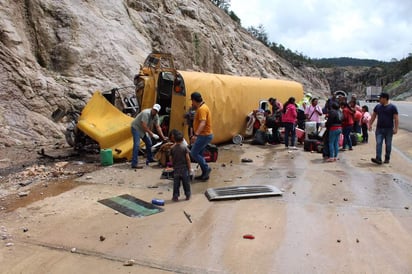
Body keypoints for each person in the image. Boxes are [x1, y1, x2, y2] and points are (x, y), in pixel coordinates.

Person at [130, 104, 166, 168]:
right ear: (152, 108)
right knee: (137, 145)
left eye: (156, 111)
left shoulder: (156, 116)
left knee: (149, 143)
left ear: (158, 112)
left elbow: (158, 127)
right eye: (154, 110)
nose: (154, 111)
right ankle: (134, 163)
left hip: (143, 129)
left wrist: (163, 137)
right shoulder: (146, 113)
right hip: (136, 128)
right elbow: (144, 125)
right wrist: (152, 134)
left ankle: (150, 158)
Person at [368, 92, 399, 164]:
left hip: (389, 129)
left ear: (385, 98)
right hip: (379, 129)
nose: (379, 99)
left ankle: (387, 158)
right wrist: (370, 124)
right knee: (379, 143)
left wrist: (396, 128)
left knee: (388, 144)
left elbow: (396, 118)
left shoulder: (392, 107)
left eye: (380, 98)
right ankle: (378, 158)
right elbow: (373, 116)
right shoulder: (378, 107)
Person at [190, 91, 213, 181]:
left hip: (204, 135)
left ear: (195, 100)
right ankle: (204, 174)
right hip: (205, 135)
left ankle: (206, 169)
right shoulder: (203, 107)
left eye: (192, 101)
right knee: (200, 154)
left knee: (194, 153)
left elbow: (203, 123)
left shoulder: (202, 109)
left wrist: (196, 135)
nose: (192, 103)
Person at [169, 130, 191, 201]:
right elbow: (188, 159)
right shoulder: (184, 147)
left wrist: (173, 165)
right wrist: (189, 168)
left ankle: (175, 196)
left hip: (176, 169)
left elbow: (170, 158)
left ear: (174, 139)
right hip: (184, 168)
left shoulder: (172, 148)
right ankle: (187, 195)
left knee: (176, 184)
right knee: (186, 183)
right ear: (182, 139)